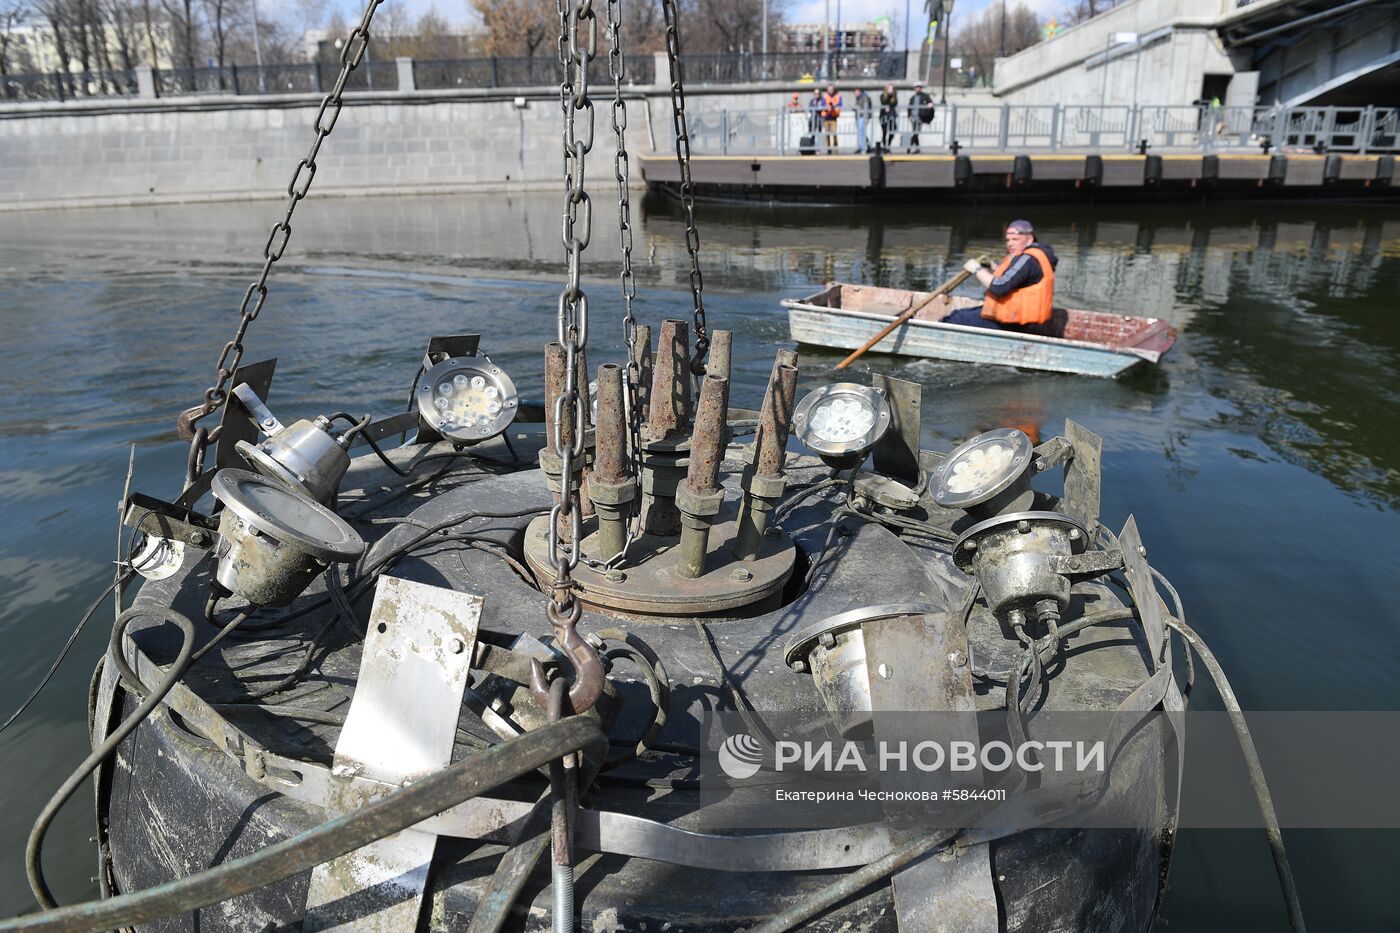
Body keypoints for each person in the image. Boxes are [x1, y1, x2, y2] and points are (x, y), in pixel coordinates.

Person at [944, 220, 1064, 335]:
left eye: (1015, 239)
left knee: (955, 318)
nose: (1010, 243)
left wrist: (977, 270)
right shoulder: (1041, 256)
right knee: (964, 313)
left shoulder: (1026, 259)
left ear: (1030, 238)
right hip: (1020, 319)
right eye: (1008, 240)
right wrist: (993, 267)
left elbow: (999, 287)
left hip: (1012, 322)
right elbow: (1019, 281)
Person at [907, 83, 933, 153]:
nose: (918, 88)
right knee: (915, 133)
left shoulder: (925, 96)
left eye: (919, 87)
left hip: (920, 117)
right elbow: (909, 107)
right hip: (913, 118)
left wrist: (930, 104)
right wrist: (909, 116)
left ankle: (909, 147)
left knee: (916, 133)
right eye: (916, 87)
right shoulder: (912, 98)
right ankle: (917, 148)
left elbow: (930, 102)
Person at [820, 83, 843, 153]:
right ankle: (828, 148)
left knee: (834, 133)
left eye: (832, 89)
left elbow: (839, 104)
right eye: (829, 89)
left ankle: (835, 148)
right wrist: (827, 106)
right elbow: (822, 104)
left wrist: (833, 106)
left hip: (833, 117)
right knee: (827, 134)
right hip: (826, 117)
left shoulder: (838, 95)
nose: (830, 90)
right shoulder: (824, 96)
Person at [878, 84, 898, 152]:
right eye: (889, 88)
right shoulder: (883, 95)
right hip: (884, 116)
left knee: (892, 131)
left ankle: (888, 145)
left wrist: (892, 95)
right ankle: (884, 147)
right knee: (884, 132)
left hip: (892, 116)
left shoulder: (894, 96)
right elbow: (884, 102)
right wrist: (889, 95)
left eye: (892, 88)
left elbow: (894, 104)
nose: (891, 89)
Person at [852, 87, 872, 153]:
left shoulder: (865, 97)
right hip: (859, 117)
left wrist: (868, 117)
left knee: (862, 133)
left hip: (863, 117)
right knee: (860, 133)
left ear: (860, 91)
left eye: (856, 92)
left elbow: (867, 108)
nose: (855, 93)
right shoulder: (859, 97)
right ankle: (862, 146)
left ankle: (864, 148)